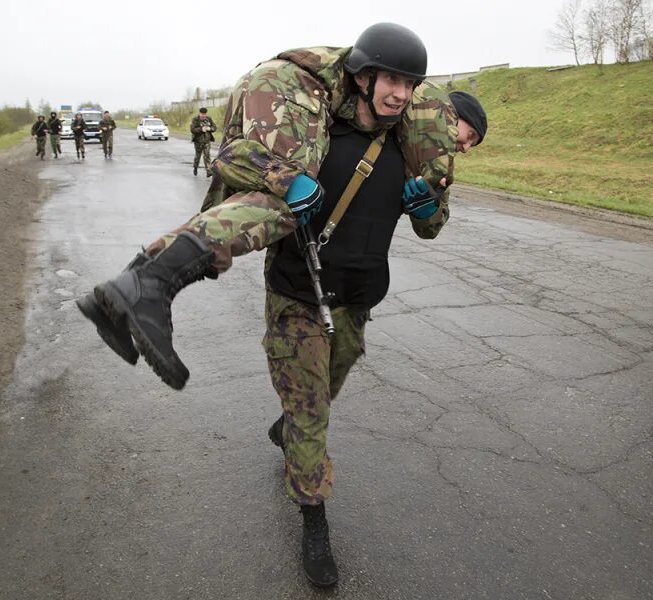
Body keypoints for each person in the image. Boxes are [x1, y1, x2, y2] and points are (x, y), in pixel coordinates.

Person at [77, 22, 486, 587]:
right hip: (299, 296)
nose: (400, 92)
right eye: (391, 77)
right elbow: (243, 167)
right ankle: (314, 521)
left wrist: (425, 207)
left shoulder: (411, 159)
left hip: (356, 304)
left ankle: (282, 419)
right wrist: (287, 179)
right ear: (363, 77)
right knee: (310, 414)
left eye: (411, 83)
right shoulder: (321, 139)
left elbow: (434, 226)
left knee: (325, 390)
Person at [190, 107, 217, 177]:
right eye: (202, 114)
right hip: (198, 141)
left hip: (207, 141)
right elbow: (192, 130)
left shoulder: (209, 119)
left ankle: (208, 171)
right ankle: (195, 167)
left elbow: (215, 127)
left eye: (205, 114)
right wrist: (201, 129)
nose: (203, 115)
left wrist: (210, 128)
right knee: (197, 157)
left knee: (207, 156)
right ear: (199, 113)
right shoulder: (195, 119)